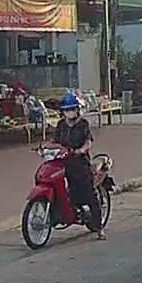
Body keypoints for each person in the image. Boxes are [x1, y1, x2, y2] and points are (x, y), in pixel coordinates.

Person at [52, 93, 105, 239]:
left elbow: (88, 142)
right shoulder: (61, 125)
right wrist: (46, 149)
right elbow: (55, 142)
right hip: (63, 161)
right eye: (66, 110)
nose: (69, 112)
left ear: (77, 110)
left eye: (72, 109)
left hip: (80, 163)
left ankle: (99, 227)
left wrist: (81, 150)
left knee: (90, 194)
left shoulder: (83, 124)